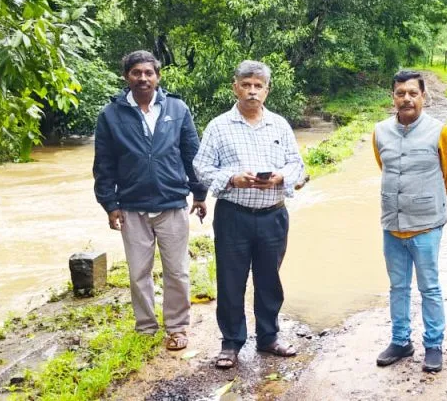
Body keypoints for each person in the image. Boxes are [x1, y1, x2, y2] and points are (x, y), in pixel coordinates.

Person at [93, 50, 208, 351]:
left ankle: (177, 327)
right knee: (138, 272)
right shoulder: (110, 115)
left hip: (171, 203)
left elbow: (191, 155)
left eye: (148, 73)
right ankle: (145, 327)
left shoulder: (177, 108)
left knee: (177, 270)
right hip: (131, 207)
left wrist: (200, 193)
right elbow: (103, 164)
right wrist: (110, 203)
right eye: (136, 73)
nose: (143, 78)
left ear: (158, 76)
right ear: (126, 77)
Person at [193, 60, 305, 369]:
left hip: (273, 214)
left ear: (267, 90)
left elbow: (297, 164)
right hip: (234, 214)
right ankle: (231, 343)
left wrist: (281, 177)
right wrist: (232, 179)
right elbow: (201, 167)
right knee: (231, 280)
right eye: (246, 85)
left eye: (258, 86)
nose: (252, 91)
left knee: (269, 279)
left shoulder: (280, 124)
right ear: (235, 87)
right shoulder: (218, 126)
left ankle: (268, 337)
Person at [371, 70, 447, 373]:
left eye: (412, 93)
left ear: (424, 96)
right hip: (391, 223)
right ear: (393, 97)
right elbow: (384, 165)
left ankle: (433, 346)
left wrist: (426, 198)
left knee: (430, 288)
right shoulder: (380, 131)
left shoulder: (440, 132)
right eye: (400, 93)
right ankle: (400, 341)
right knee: (397, 287)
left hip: (426, 224)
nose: (406, 98)